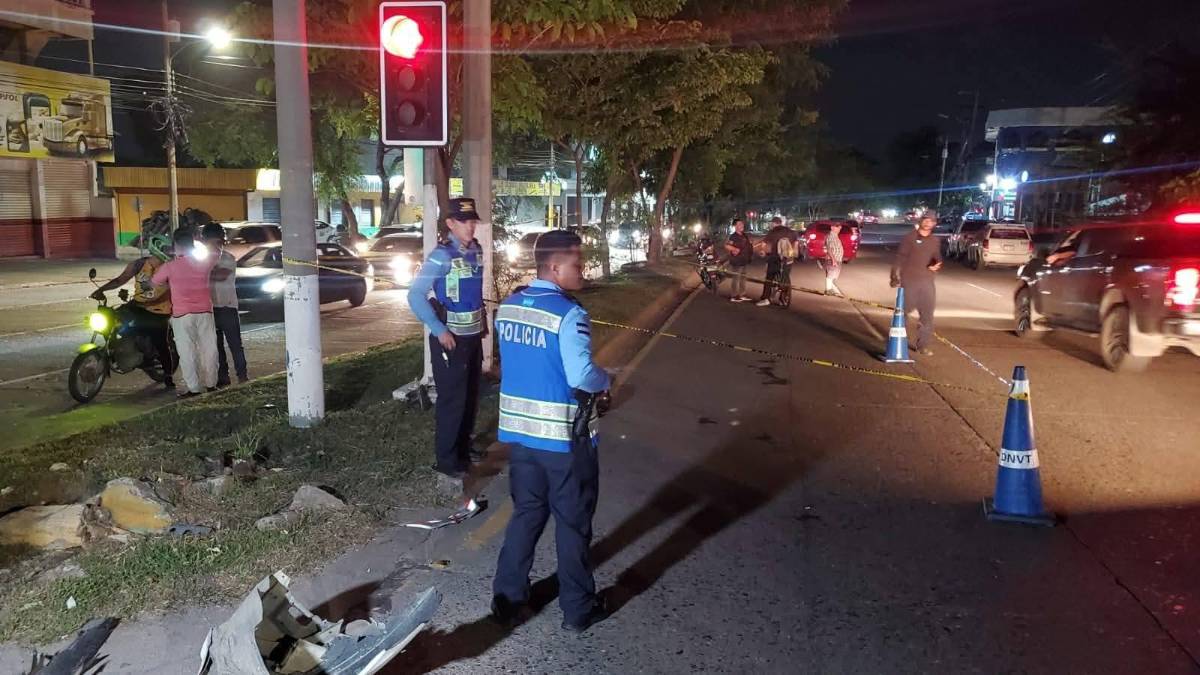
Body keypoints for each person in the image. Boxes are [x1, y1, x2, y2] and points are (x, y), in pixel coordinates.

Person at [491, 230, 612, 633]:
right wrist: (607, 380)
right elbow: (582, 375)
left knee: (526, 514)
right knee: (573, 524)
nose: (584, 269)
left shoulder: (508, 307)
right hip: (563, 441)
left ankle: (507, 599)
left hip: (520, 438)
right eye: (578, 263)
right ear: (555, 267)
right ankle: (578, 610)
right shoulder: (569, 314)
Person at [407, 197, 486, 494]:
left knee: (470, 395)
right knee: (453, 400)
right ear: (450, 224)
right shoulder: (441, 256)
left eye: (473, 220)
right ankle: (447, 460)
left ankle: (463, 449)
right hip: (450, 339)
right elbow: (415, 295)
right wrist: (439, 330)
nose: (470, 225)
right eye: (464, 221)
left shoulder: (475, 250)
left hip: (472, 336)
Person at [90, 235, 175, 390]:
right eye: (166, 248)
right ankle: (117, 349)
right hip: (137, 305)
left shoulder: (171, 266)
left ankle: (168, 376)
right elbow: (119, 280)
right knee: (109, 318)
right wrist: (100, 290)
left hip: (159, 310)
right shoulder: (139, 264)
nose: (169, 252)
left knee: (161, 343)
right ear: (156, 247)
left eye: (170, 249)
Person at [152, 228, 230, 397]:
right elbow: (217, 250)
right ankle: (211, 384)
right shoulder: (204, 262)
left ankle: (193, 389)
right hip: (205, 312)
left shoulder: (169, 267)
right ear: (192, 243)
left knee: (187, 352)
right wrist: (200, 240)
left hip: (181, 315)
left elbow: (154, 282)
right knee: (209, 349)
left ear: (175, 245)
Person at [202, 222, 248, 387]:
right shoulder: (202, 259)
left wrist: (203, 272)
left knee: (235, 344)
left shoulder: (228, 258)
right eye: (211, 242)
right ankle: (223, 378)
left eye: (218, 242)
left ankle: (242, 376)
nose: (215, 246)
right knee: (217, 346)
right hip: (210, 308)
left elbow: (219, 276)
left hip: (227, 307)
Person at [891, 214, 943, 356]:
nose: (927, 223)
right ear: (920, 222)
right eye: (925, 220)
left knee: (927, 316)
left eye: (931, 221)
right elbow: (900, 257)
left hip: (927, 282)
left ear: (934, 224)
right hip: (910, 281)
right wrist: (894, 274)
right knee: (903, 312)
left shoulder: (935, 240)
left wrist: (936, 264)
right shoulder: (910, 237)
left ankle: (923, 345)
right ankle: (900, 339)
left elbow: (937, 256)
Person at [756, 216, 800, 307]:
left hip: (775, 258)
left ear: (773, 223)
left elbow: (764, 244)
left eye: (771, 224)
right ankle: (783, 299)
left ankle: (766, 298)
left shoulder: (773, 232)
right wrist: (794, 254)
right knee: (786, 277)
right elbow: (796, 244)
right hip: (788, 259)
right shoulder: (791, 232)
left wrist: (763, 251)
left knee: (769, 277)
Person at [724, 217, 753, 302]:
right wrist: (733, 249)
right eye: (740, 224)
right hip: (737, 261)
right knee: (736, 278)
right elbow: (727, 245)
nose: (742, 225)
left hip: (744, 260)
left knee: (743, 278)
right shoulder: (733, 237)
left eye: (742, 224)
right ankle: (734, 296)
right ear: (735, 226)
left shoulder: (744, 235)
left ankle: (742, 294)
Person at [823, 222, 846, 297]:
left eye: (840, 228)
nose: (839, 229)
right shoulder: (831, 236)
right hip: (833, 259)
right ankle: (828, 290)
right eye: (838, 227)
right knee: (831, 275)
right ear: (832, 227)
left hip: (836, 259)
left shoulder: (835, 236)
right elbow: (829, 249)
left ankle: (832, 290)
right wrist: (833, 260)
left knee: (833, 276)